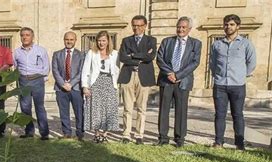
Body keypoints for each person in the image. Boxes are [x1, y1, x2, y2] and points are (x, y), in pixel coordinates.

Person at [209, 14, 256, 150]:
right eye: (226, 24)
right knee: (219, 114)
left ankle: (239, 143)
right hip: (220, 84)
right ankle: (218, 142)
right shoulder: (217, 44)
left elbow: (251, 62)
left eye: (231, 24)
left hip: (238, 85)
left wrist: (242, 75)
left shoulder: (246, 44)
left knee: (238, 114)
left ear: (238, 26)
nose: (228, 27)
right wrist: (217, 75)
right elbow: (212, 63)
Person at [156, 17, 202, 148]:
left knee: (181, 110)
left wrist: (179, 75)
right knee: (164, 109)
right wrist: (170, 73)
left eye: (183, 27)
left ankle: (180, 138)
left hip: (183, 81)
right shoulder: (167, 41)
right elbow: (159, 59)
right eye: (178, 27)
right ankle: (163, 137)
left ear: (189, 29)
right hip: (166, 79)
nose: (180, 29)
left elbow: (195, 62)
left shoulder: (196, 44)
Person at [118, 15, 157, 145]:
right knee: (127, 108)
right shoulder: (126, 40)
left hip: (143, 76)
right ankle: (126, 134)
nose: (137, 28)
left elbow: (150, 56)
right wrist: (141, 56)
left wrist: (133, 55)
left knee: (141, 108)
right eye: (134, 25)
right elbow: (123, 58)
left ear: (145, 26)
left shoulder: (151, 40)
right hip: (128, 76)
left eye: (140, 25)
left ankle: (139, 135)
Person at [81, 30, 120, 143]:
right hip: (96, 83)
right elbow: (85, 70)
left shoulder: (115, 53)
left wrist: (116, 85)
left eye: (104, 40)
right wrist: (85, 86)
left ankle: (105, 134)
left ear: (108, 41)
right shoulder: (91, 53)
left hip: (109, 82)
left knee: (109, 109)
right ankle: (97, 134)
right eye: (99, 41)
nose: (101, 43)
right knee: (96, 109)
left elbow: (117, 70)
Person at [13, 27, 50, 140]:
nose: (25, 37)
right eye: (22, 35)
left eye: (27, 35)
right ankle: (29, 131)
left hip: (37, 80)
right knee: (25, 108)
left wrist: (40, 79)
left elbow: (46, 66)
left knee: (40, 107)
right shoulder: (17, 52)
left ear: (32, 37)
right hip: (23, 81)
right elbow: (16, 66)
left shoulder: (41, 50)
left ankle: (44, 133)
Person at [51, 31, 85, 141]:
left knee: (79, 112)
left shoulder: (81, 55)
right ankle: (67, 133)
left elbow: (81, 72)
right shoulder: (57, 54)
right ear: (64, 40)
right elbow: (55, 70)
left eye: (71, 39)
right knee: (63, 112)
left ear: (75, 40)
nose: (69, 41)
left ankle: (79, 133)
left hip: (75, 88)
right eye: (67, 39)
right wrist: (63, 84)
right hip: (61, 89)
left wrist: (71, 84)